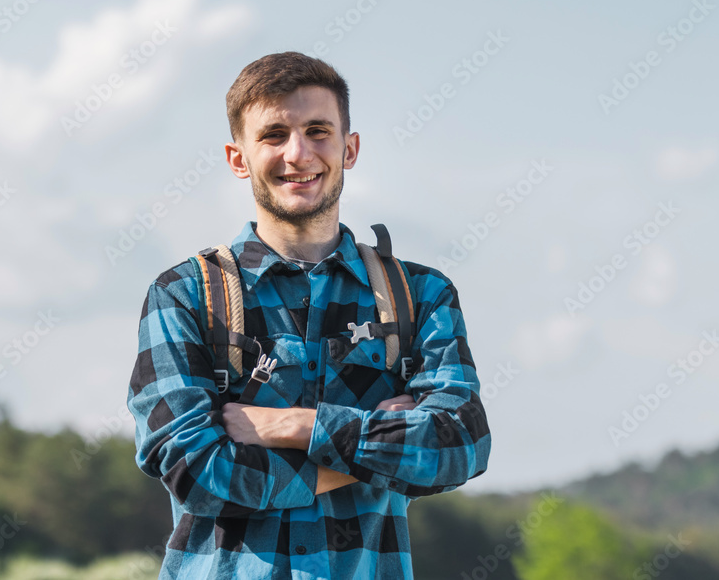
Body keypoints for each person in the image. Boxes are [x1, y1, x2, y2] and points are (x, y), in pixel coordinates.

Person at [127, 52, 491, 579]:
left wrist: (296, 426)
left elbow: (462, 444)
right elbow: (197, 472)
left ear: (350, 148)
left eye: (318, 131)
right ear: (238, 158)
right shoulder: (184, 294)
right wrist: (374, 445)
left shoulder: (421, 293)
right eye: (273, 134)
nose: (298, 153)